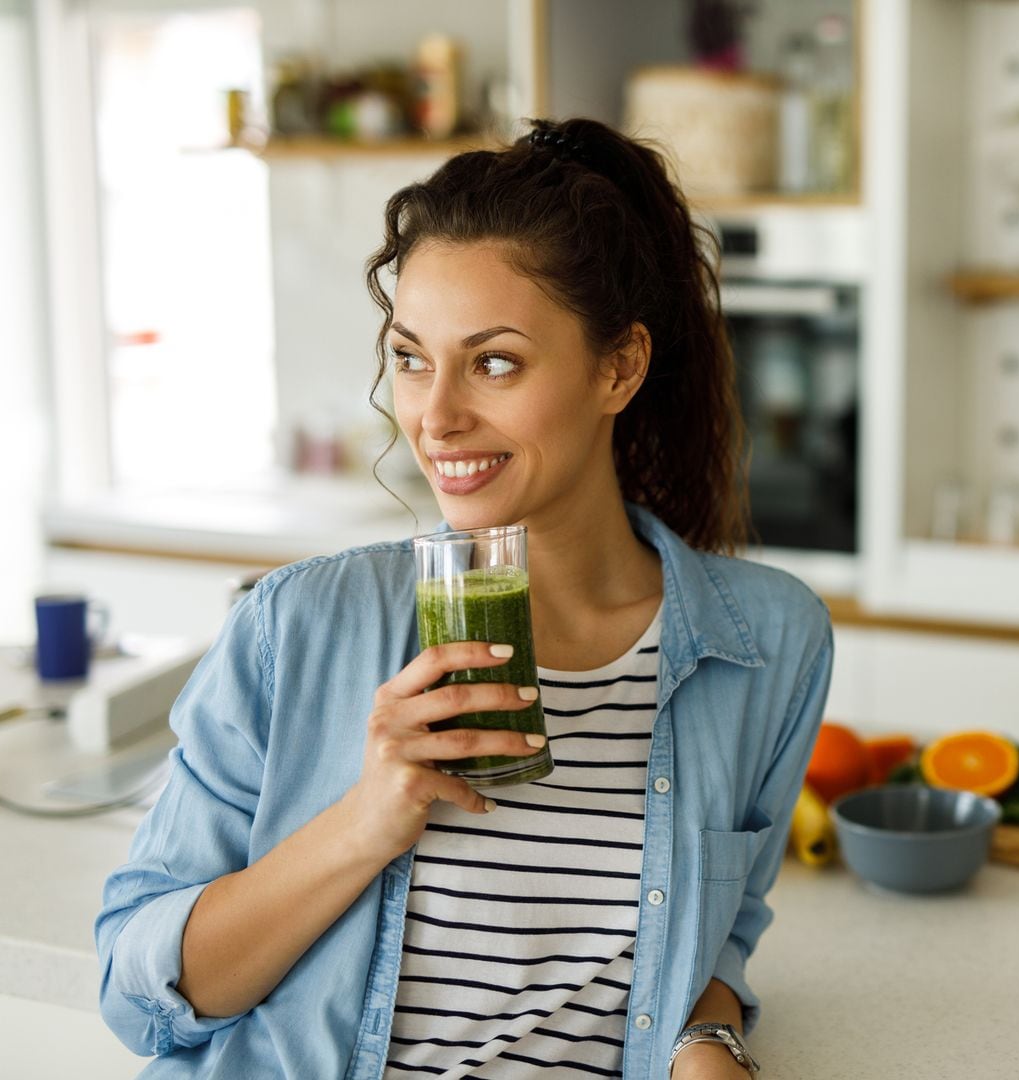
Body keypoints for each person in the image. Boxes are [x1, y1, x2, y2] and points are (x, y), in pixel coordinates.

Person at [96, 117, 832, 1079]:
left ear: (619, 368)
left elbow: (711, 938)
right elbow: (137, 996)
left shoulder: (767, 643)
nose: (434, 418)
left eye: (493, 362)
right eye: (411, 357)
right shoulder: (298, 625)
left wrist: (708, 1047)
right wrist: (366, 820)